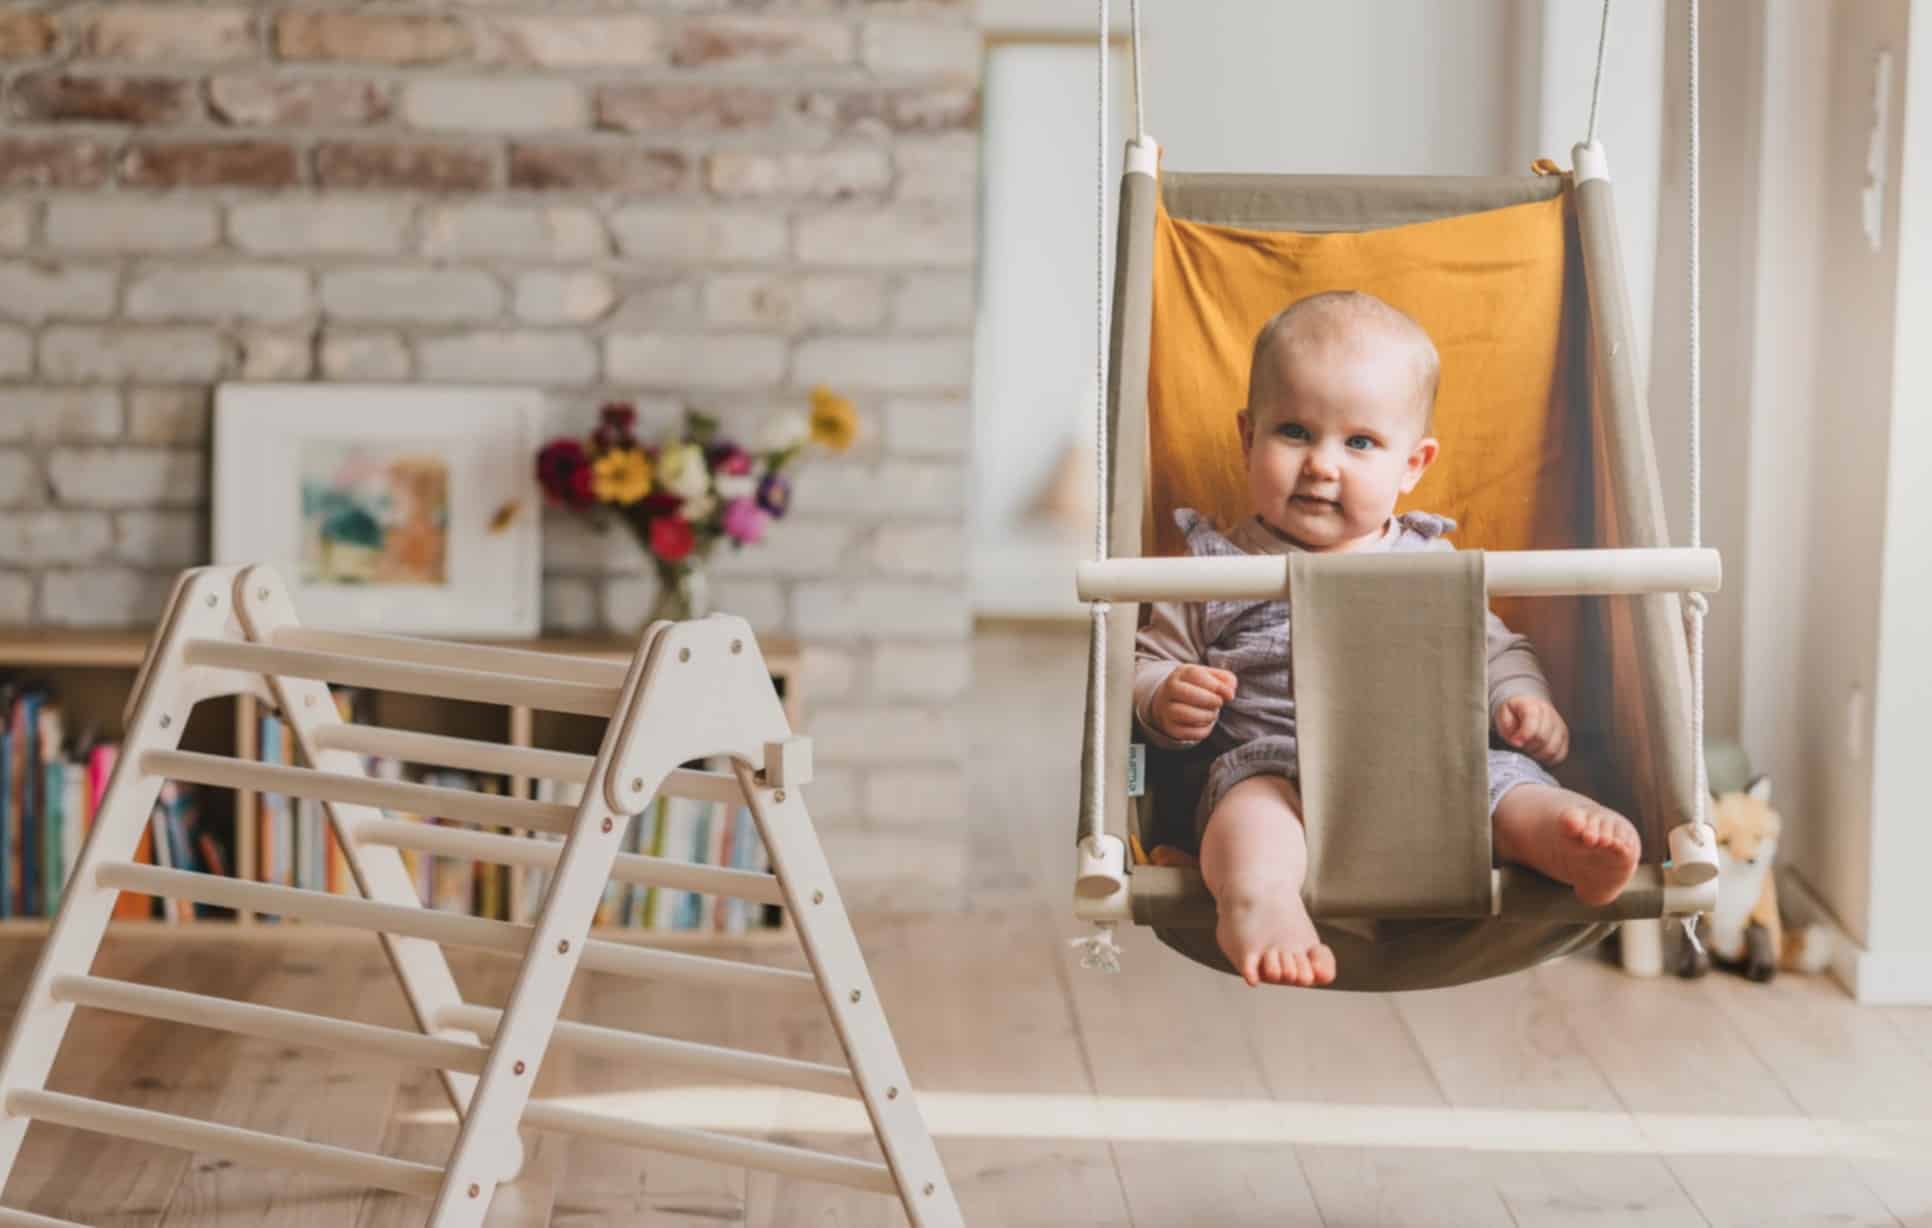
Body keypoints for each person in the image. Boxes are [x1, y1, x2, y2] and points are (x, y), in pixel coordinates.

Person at [1133, 290, 1640, 988]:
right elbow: (1146, 663)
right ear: (1248, 439)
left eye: (1360, 442)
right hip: (1282, 768)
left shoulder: (1429, 565)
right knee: (1247, 816)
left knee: (1509, 786)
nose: (1321, 465)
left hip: (1434, 769)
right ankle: (1260, 902)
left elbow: (1499, 649)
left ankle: (1566, 839)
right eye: (1294, 432)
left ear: (1413, 465)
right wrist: (1165, 696)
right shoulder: (1217, 568)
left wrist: (1522, 699)